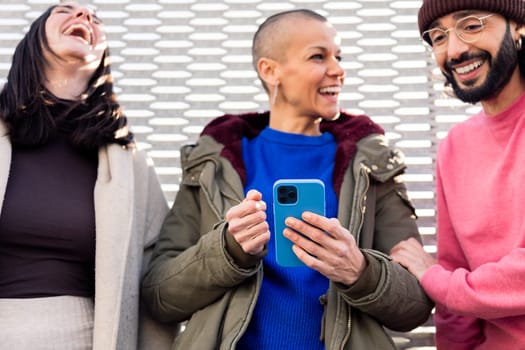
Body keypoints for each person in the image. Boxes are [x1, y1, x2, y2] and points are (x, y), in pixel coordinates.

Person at [142, 9, 432, 350]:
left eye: (338, 57)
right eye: (318, 57)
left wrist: (360, 271)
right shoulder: (211, 163)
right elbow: (159, 297)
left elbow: (415, 305)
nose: (338, 70)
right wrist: (227, 252)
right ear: (270, 70)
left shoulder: (373, 165)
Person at [0, 2, 175, 349]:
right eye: (64, 10)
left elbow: (157, 269)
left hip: (83, 336)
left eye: (95, 18)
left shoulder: (131, 162)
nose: (84, 17)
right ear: (33, 41)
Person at [390, 0, 525, 349]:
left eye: (472, 25)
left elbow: (449, 279)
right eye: (437, 37)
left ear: (518, 28)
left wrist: (436, 280)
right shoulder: (455, 146)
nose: (454, 50)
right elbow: (455, 278)